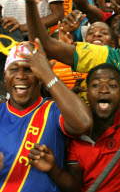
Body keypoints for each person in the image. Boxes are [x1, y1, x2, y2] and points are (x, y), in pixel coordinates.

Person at [28, 63, 120, 192]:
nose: (103, 90)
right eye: (96, 85)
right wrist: (54, 170)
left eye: (112, 85)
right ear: (87, 93)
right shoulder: (75, 128)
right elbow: (75, 186)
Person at [0, 40, 92, 191]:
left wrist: (48, 75)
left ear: (40, 77)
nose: (21, 76)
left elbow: (84, 123)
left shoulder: (54, 110)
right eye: (14, 69)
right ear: (5, 76)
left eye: (29, 70)